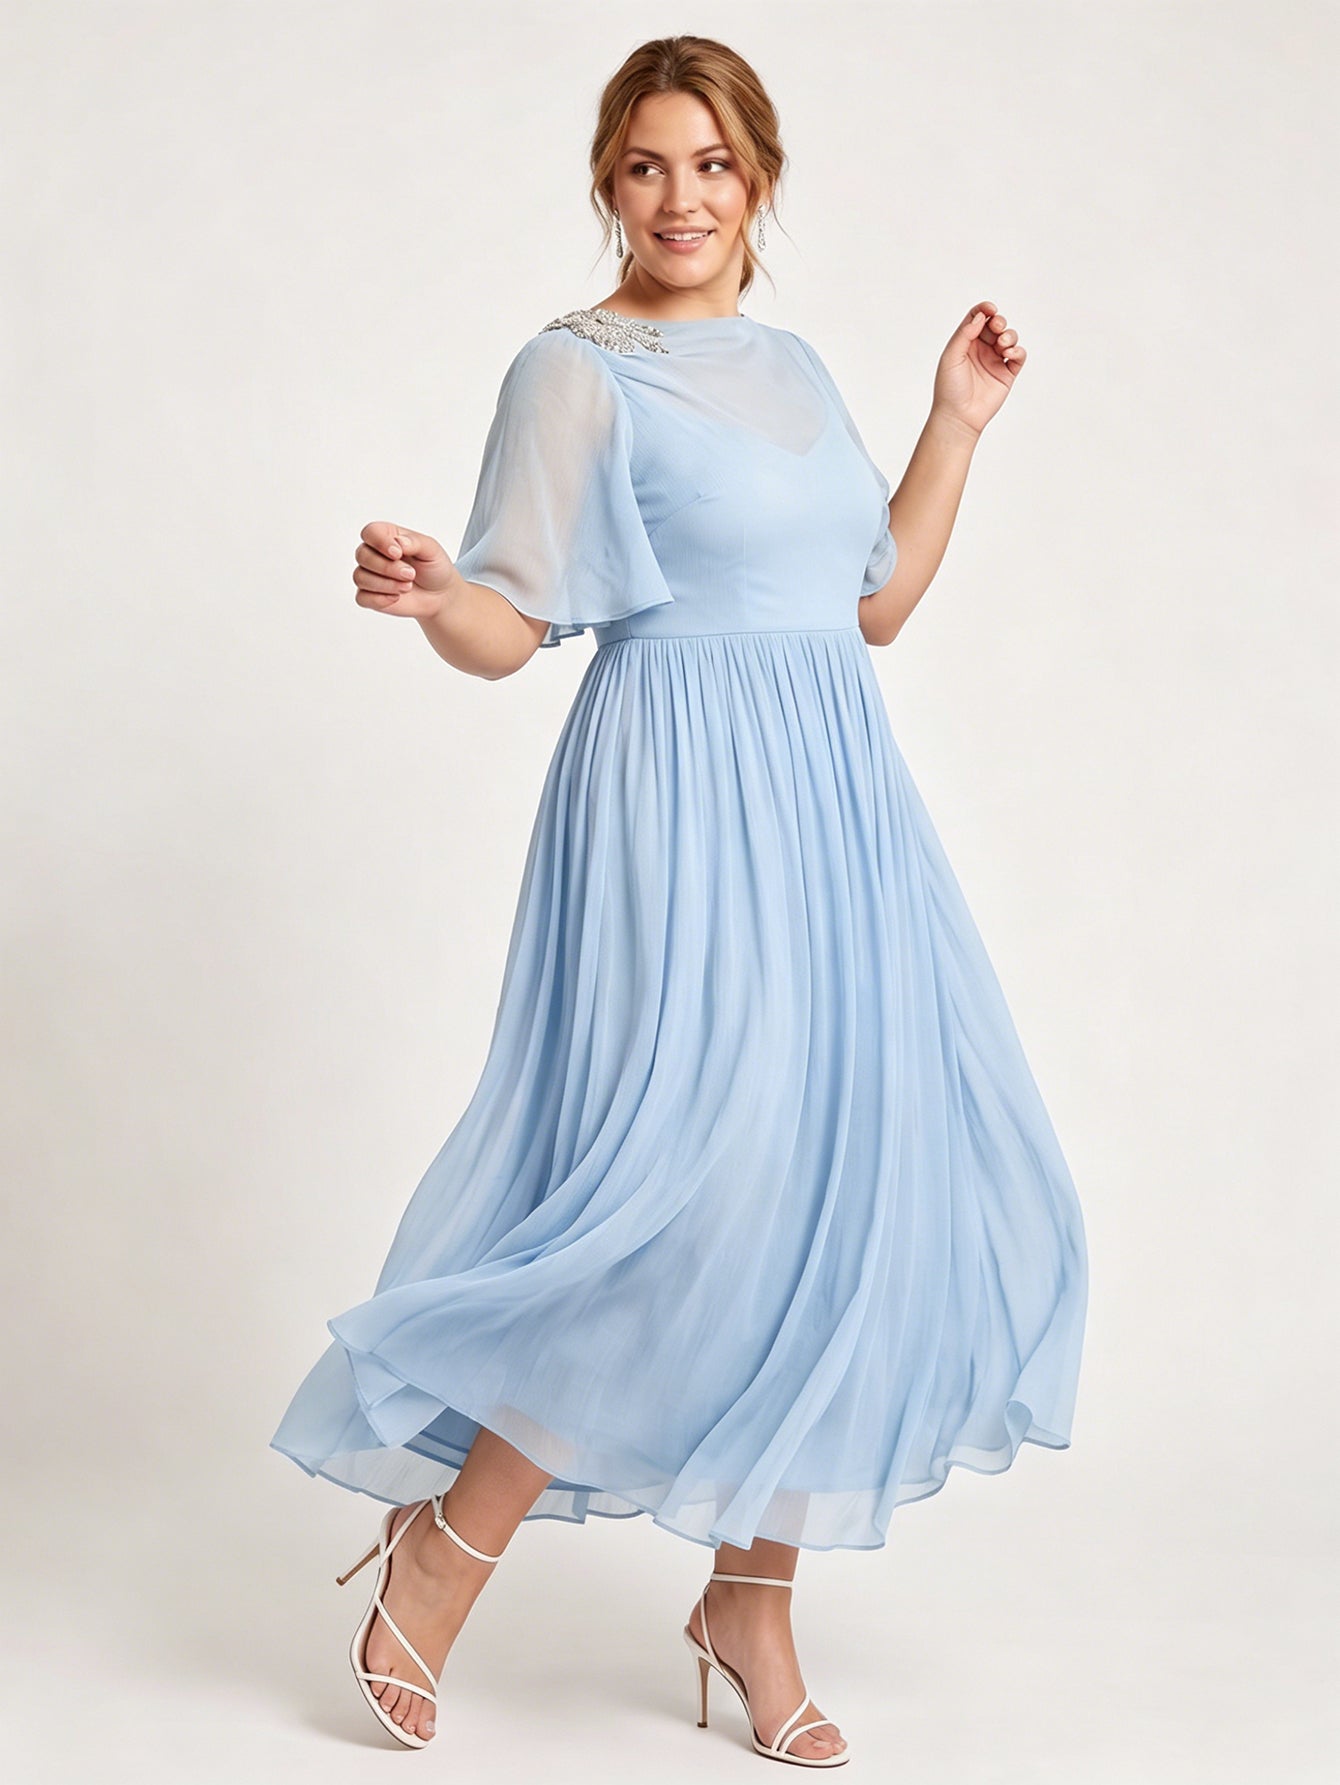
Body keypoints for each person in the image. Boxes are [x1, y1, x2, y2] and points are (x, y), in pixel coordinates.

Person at [269, 33, 1088, 1767]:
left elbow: (871, 602)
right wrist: (435, 595)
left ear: (757, 180)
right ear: (609, 186)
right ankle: (445, 1549)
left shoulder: (793, 365)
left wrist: (954, 422)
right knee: (671, 1187)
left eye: (710, 163)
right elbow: (513, 623)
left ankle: (751, 1604)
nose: (680, 197)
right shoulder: (573, 370)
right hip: (673, 803)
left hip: (836, 806)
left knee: (837, 1188)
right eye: (645, 165)